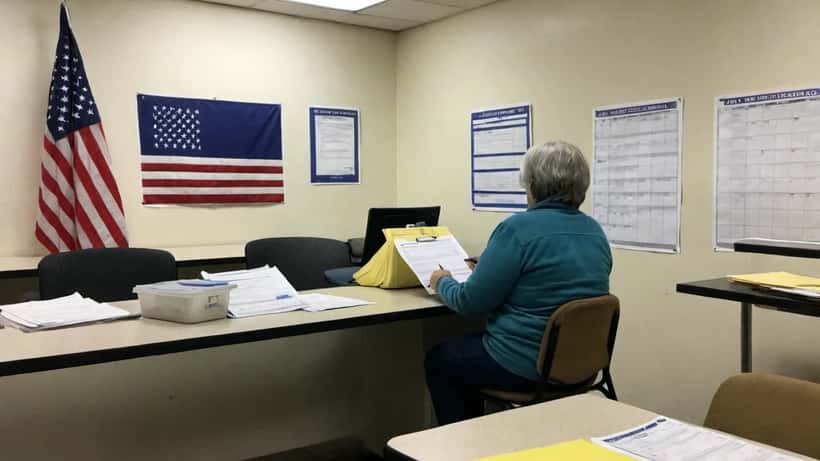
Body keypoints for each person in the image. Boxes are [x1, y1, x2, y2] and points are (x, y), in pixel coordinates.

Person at [425, 140, 612, 425]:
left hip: (525, 366)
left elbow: (468, 302)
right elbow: (553, 282)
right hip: (582, 367)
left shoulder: (517, 229)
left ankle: (463, 448)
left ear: (533, 184)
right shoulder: (594, 230)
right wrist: (488, 270)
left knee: (441, 359)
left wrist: (442, 282)